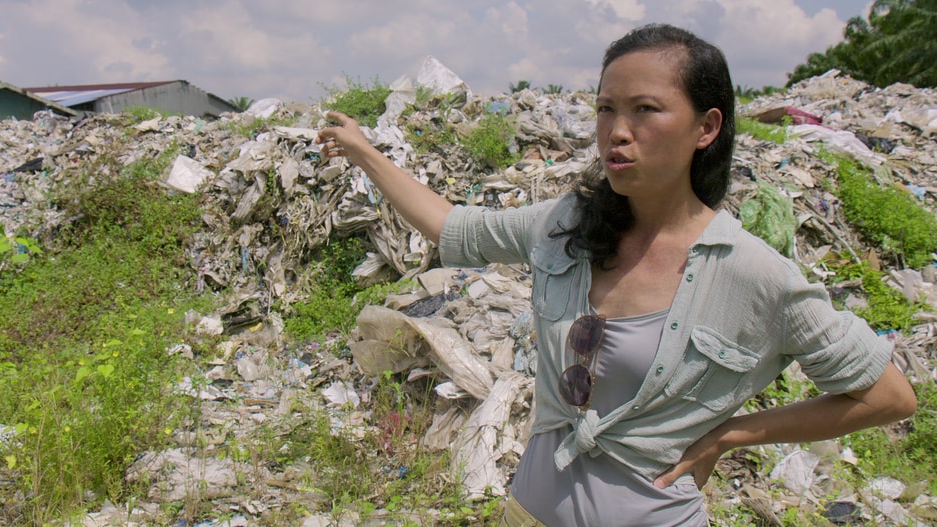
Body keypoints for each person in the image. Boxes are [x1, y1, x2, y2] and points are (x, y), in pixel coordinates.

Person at [316, 23, 917, 527]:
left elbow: (888, 397)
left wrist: (730, 434)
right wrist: (365, 152)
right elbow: (454, 228)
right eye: (606, 109)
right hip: (528, 513)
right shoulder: (567, 225)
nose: (617, 131)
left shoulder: (754, 274)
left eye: (645, 110)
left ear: (706, 128)